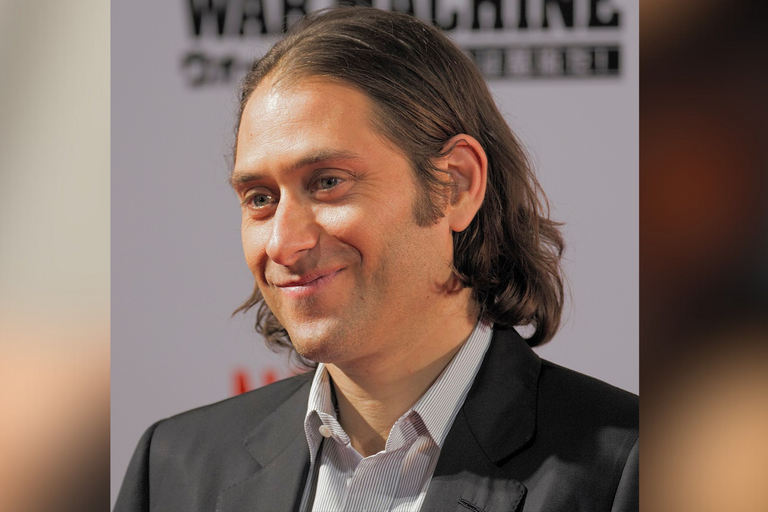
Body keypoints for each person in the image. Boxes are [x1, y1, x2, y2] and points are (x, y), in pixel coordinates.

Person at [114, 7, 638, 512]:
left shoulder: (628, 469)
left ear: (455, 184)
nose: (282, 243)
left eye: (328, 183)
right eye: (259, 198)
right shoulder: (175, 465)